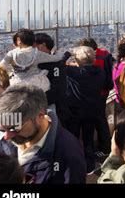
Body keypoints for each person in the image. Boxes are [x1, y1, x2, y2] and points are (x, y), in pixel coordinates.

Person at [0, 84, 86, 183]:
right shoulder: (13, 133)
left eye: (14, 128)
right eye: (2, 130)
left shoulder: (69, 156)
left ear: (40, 116)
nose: (6, 137)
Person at [66, 46, 105, 174]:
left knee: (73, 138)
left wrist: (69, 53)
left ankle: (74, 165)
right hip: (92, 109)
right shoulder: (100, 71)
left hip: (75, 111)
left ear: (78, 61)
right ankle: (89, 164)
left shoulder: (73, 72)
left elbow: (61, 63)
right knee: (88, 139)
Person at [0, 29, 65, 91]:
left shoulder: (11, 54)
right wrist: (59, 52)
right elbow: (56, 58)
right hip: (36, 84)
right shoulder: (37, 54)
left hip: (17, 84)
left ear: (19, 41)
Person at [77, 38, 113, 156]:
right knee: (101, 118)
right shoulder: (105, 53)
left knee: (99, 120)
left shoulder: (96, 58)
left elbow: (88, 73)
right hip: (105, 91)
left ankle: (105, 148)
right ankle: (105, 146)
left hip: (97, 93)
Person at [35, 33, 72, 130]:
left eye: (34, 46)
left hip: (57, 113)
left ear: (42, 45)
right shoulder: (37, 63)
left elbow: (58, 91)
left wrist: (35, 104)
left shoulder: (56, 64)